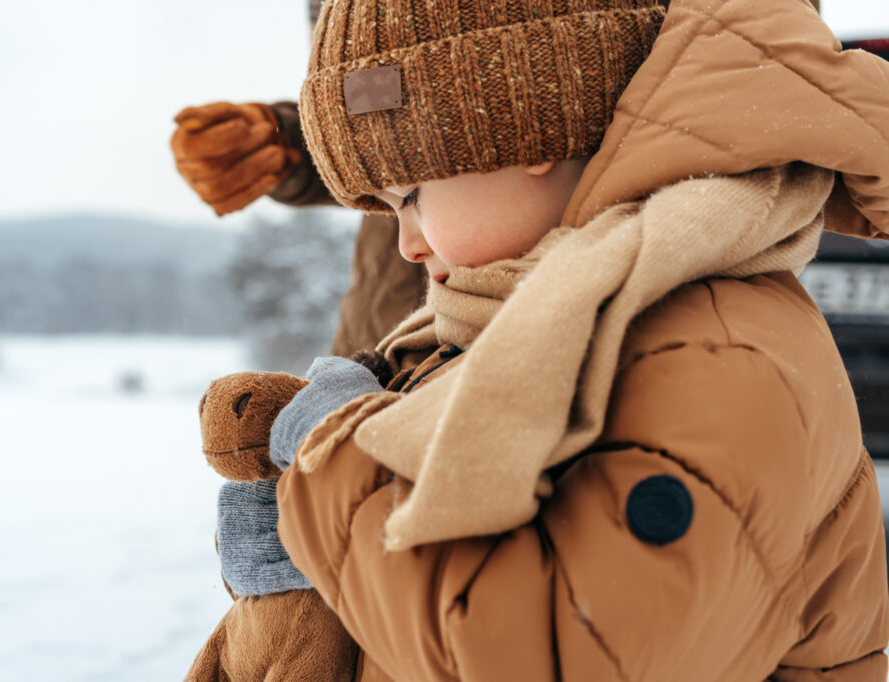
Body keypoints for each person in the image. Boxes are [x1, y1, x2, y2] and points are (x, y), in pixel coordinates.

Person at [217, 0, 889, 679]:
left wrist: (336, 456)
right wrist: (297, 587)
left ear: (519, 128)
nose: (408, 245)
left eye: (413, 194)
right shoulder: (520, 320)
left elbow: (543, 653)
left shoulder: (716, 354)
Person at [170, 1, 426, 358]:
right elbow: (377, 120)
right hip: (374, 355)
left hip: (481, 359)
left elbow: (421, 105)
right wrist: (283, 141)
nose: (410, 244)